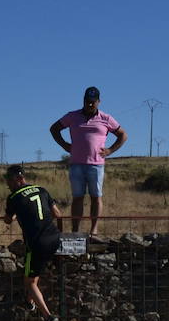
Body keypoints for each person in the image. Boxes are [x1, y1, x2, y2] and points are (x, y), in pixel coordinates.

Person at [49, 86, 127, 237]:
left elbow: (123, 135)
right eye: (87, 101)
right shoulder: (72, 116)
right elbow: (54, 129)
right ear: (83, 101)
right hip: (77, 164)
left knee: (96, 197)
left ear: (98, 101)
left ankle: (94, 230)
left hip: (96, 165)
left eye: (93, 102)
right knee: (77, 197)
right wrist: (65, 145)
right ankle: (76, 230)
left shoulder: (106, 118)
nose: (90, 104)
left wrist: (110, 150)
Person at [3, 164, 62, 321]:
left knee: (29, 282)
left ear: (20, 179)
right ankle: (30, 301)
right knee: (33, 273)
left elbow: (7, 220)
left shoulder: (13, 197)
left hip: (36, 243)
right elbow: (57, 214)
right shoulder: (42, 189)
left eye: (10, 181)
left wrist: (15, 214)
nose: (8, 184)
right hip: (54, 237)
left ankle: (48, 317)